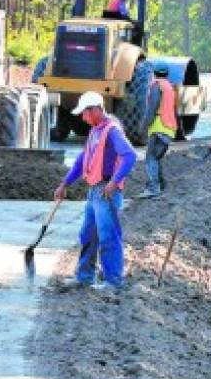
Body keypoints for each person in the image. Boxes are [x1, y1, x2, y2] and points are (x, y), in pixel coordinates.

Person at [54, 91, 137, 289]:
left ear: (97, 109)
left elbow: (130, 156)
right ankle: (84, 277)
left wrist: (114, 183)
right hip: (94, 190)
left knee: (108, 235)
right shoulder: (96, 129)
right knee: (88, 234)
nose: (83, 117)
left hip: (106, 191)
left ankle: (113, 282)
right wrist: (65, 183)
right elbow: (83, 159)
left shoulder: (112, 130)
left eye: (85, 112)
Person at [138, 63, 177, 199]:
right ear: (167, 74)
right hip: (169, 128)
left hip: (159, 127)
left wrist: (143, 126)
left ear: (154, 73)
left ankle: (154, 188)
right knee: (156, 157)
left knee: (150, 158)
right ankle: (161, 185)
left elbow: (152, 109)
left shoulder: (157, 86)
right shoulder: (169, 87)